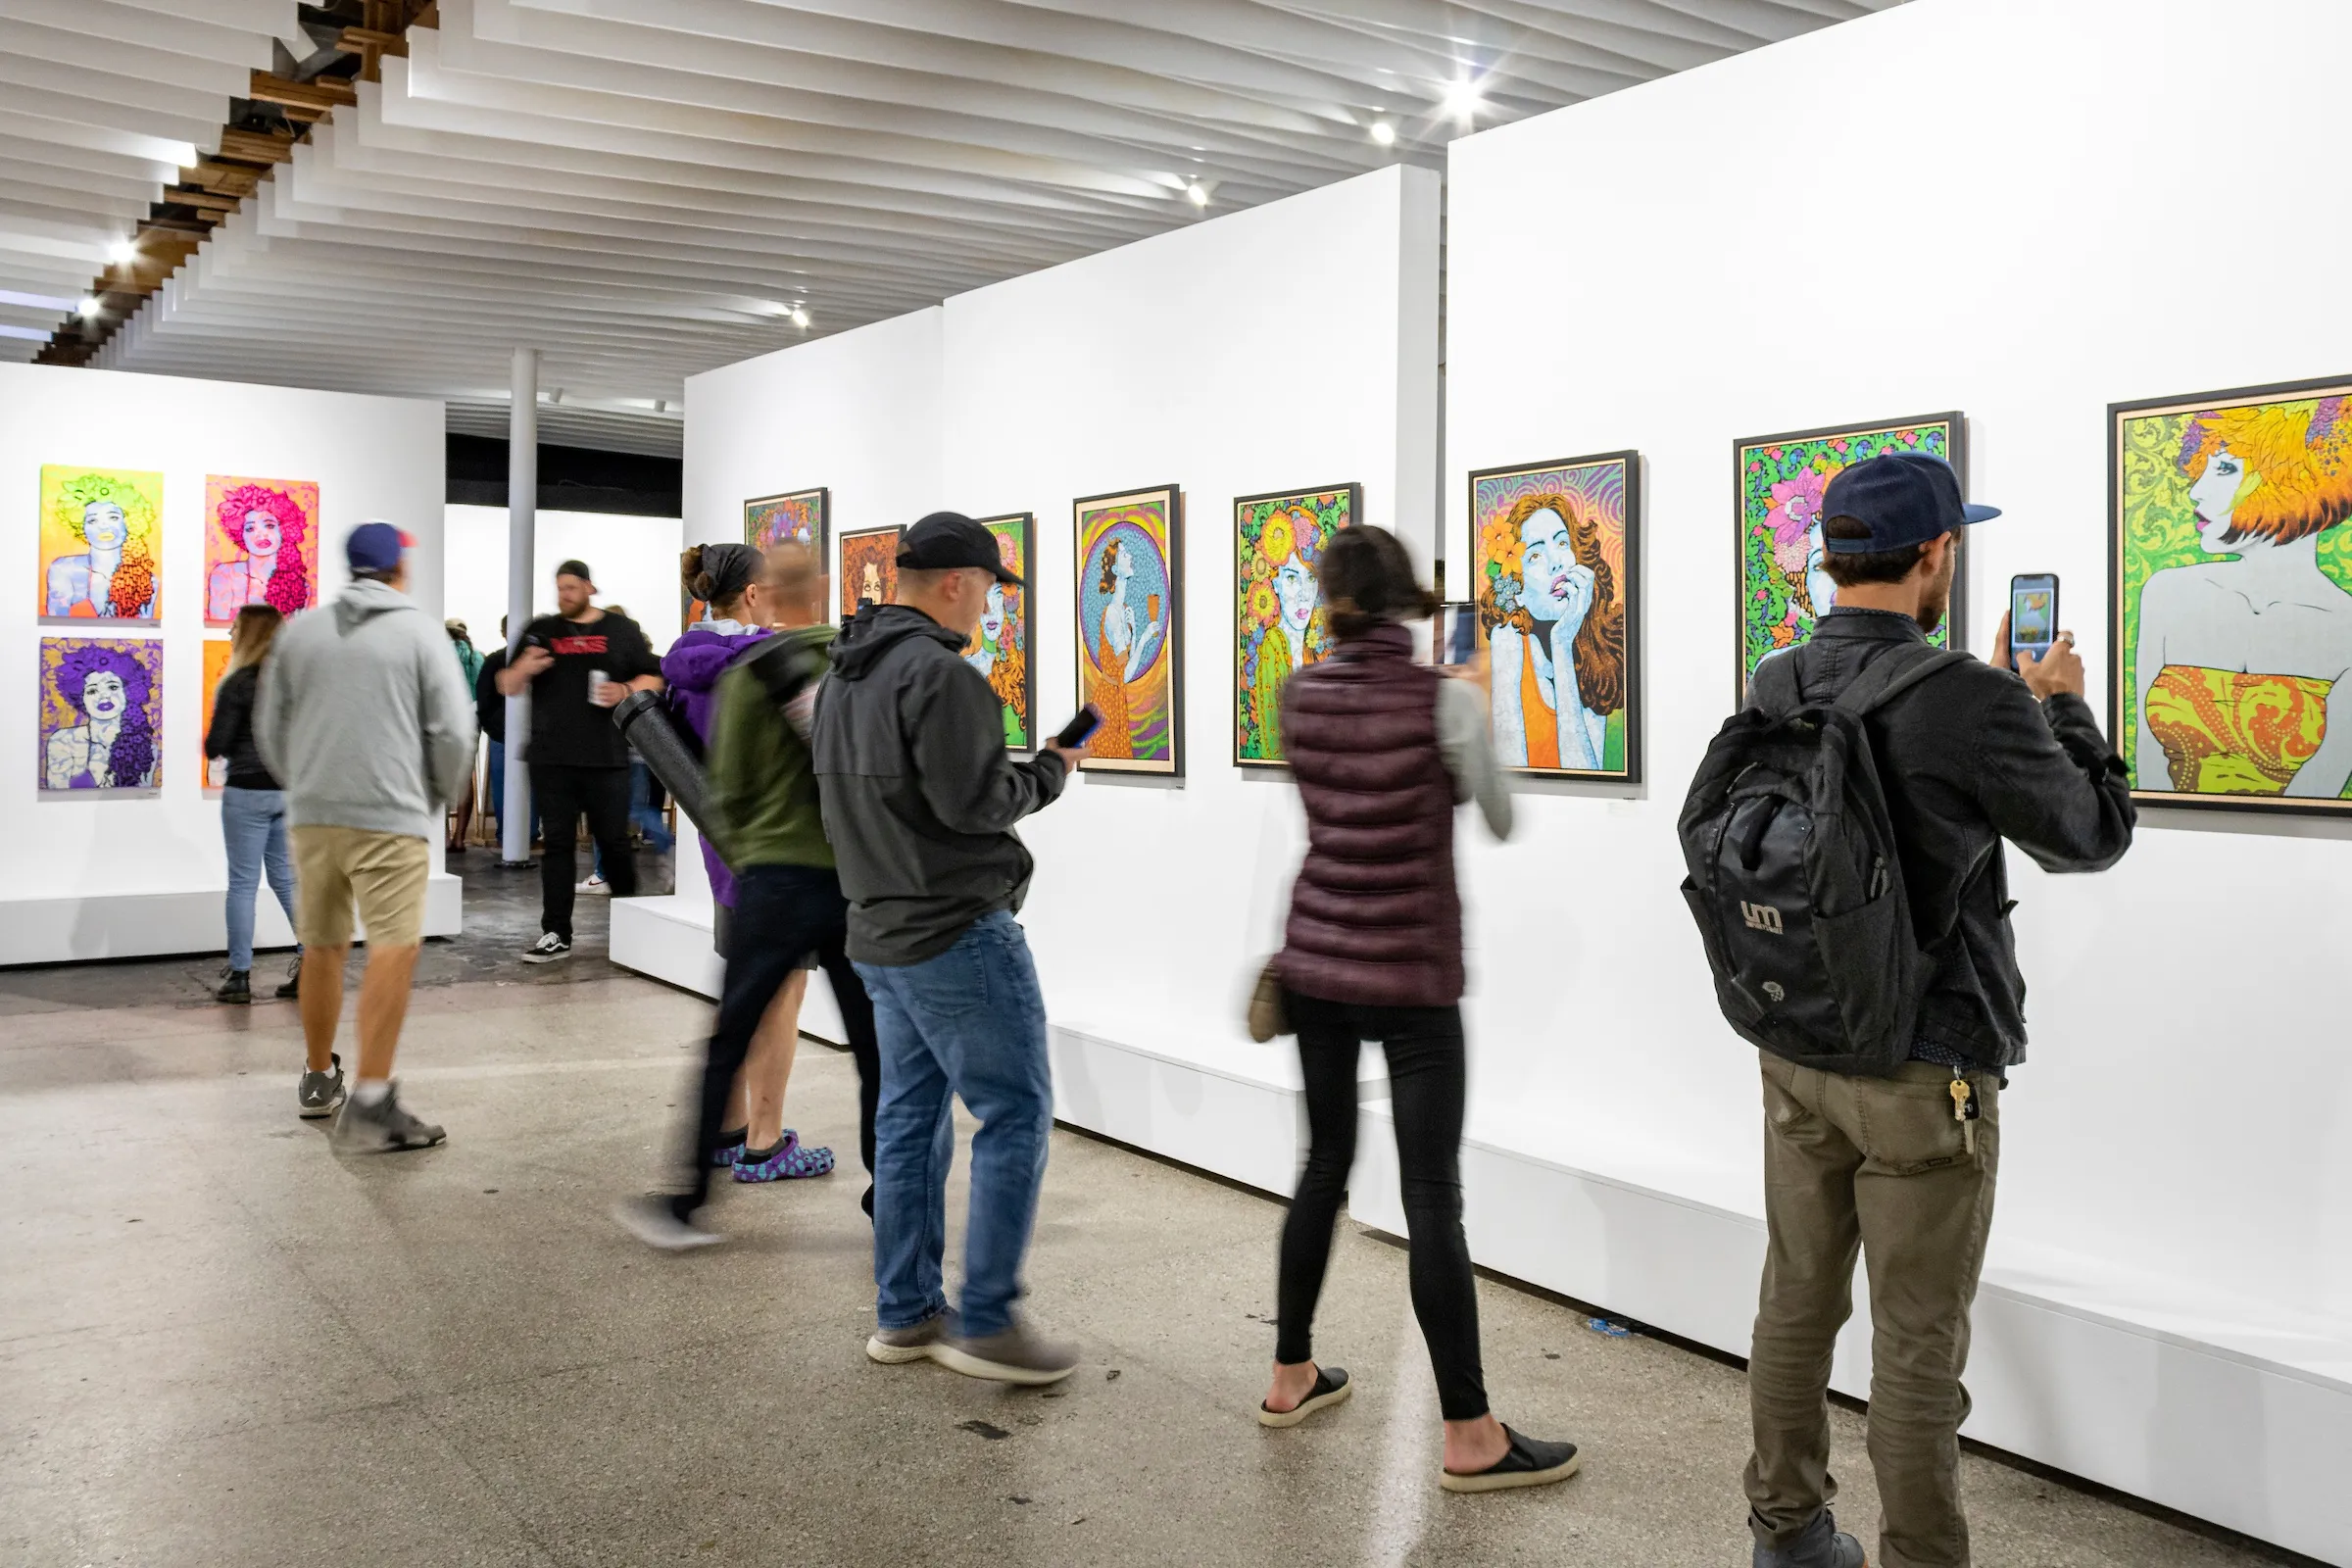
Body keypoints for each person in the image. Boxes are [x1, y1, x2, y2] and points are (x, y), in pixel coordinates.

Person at [1735, 453, 2133, 1568]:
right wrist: (2064, 709)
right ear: (1937, 556)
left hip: (1797, 1042)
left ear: (1834, 554)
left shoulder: (1778, 675)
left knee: (1795, 1304)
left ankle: (1788, 1534)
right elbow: (2089, 836)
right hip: (1927, 1068)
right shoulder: (1970, 696)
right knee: (1915, 1348)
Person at [1260, 523, 1581, 1492]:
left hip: (1316, 959)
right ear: (1406, 600)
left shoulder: (1296, 692)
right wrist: (1476, 714)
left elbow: (1332, 804)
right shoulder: (1443, 701)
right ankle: (1471, 1434)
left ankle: (1289, 1373)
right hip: (1411, 976)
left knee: (1320, 1166)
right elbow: (1499, 815)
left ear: (1330, 600)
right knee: (1431, 1196)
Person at [812, 512, 1084, 1384]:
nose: (989, 610)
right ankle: (991, 1320)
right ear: (960, 583)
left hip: (879, 932)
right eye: (991, 591)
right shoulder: (943, 677)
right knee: (1013, 1114)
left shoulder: (844, 677)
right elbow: (978, 804)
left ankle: (905, 1314)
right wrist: (1050, 769)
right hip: (956, 932)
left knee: (908, 1121)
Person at [615, 541, 886, 1247]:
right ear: (765, 593)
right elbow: (850, 767)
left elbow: (723, 784)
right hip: (821, 871)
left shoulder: (703, 667)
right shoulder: (815, 662)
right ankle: (782, 1147)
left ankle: (695, 1185)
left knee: (733, 1027)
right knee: (863, 1038)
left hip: (743, 865)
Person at [255, 522, 476, 1150]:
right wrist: (433, 794)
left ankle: (320, 1076)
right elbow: (455, 731)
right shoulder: (418, 632)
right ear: (399, 568)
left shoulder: (304, 633)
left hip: (314, 816)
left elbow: (271, 726)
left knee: (322, 945)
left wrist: (304, 783)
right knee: (393, 947)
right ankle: (373, 1100)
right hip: (390, 817)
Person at [2132, 396, 2352, 799]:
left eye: (2226, 469)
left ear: (2297, 481)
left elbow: (2322, 786)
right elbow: (2146, 761)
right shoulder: (2168, 593)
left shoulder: (2346, 626)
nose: (2196, 493)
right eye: (2203, 470)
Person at [495, 560, 662, 960]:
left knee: (615, 844)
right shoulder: (542, 631)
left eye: (571, 587)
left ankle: (631, 925)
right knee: (557, 846)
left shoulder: (621, 631)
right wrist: (524, 666)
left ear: (589, 587)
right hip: (552, 758)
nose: (563, 595)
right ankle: (555, 932)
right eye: (559, 588)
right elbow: (507, 684)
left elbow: (654, 676)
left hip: (606, 756)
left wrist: (624, 688)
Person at [205, 605, 303, 1010]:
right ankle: (311, 961)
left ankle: (240, 976)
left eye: (234, 629)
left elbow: (217, 744)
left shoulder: (239, 683)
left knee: (243, 883)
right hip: (287, 790)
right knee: (285, 877)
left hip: (246, 790)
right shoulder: (294, 682)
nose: (229, 633)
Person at [1484, 491, 1625, 770]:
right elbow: (1513, 772)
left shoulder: (1594, 647)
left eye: (1562, 543)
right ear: (1517, 588)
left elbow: (1585, 771)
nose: (1556, 562)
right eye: (1535, 554)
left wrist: (1562, 643)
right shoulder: (1509, 642)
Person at [43, 644, 157, 790]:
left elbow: (142, 796)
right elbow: (56, 793)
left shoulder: (147, 748)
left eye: (113, 687)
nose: (104, 695)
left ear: (127, 694)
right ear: (81, 699)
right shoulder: (63, 741)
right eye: (92, 691)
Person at [207, 482, 312, 621]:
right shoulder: (225, 574)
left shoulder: (300, 585)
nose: (261, 535)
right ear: (240, 535)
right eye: (250, 529)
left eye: (269, 526)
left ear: (284, 530)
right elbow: (216, 629)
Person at [444, 620, 484, 851]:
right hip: (470, 722)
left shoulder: (441, 653)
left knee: (440, 778)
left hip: (445, 720)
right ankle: (460, 838)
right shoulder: (476, 657)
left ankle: (445, 838)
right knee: (465, 779)